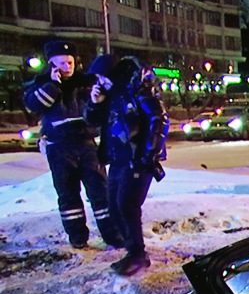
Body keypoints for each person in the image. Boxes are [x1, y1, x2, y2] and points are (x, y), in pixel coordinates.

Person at [22, 40, 124, 249]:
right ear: (51, 64)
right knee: (68, 196)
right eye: (60, 63)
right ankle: (78, 237)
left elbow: (103, 107)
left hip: (86, 145)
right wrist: (53, 85)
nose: (66, 67)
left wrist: (98, 100)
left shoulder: (86, 82)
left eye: (69, 62)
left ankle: (113, 235)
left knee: (101, 193)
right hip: (58, 147)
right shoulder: (40, 83)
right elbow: (35, 105)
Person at [85, 58, 168, 276]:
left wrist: (148, 154)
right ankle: (132, 252)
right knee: (114, 206)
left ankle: (137, 255)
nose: (100, 81)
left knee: (126, 204)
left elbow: (158, 118)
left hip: (137, 157)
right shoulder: (110, 94)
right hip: (118, 158)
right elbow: (92, 121)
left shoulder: (136, 87)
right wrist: (95, 102)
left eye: (102, 76)